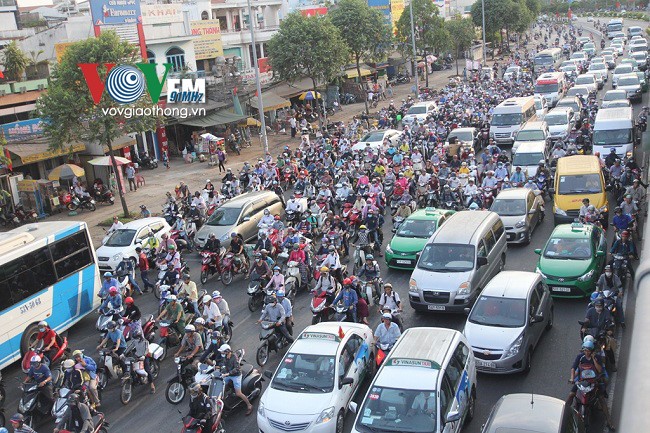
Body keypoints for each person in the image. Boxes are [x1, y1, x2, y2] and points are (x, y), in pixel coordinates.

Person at [566, 340, 614, 430]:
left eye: (588, 351)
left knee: (601, 400)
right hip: (582, 382)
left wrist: (594, 359)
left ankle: (609, 422)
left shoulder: (597, 357)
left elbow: (599, 370)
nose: (586, 352)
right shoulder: (580, 357)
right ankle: (565, 411)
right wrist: (572, 378)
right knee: (571, 395)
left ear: (592, 350)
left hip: (593, 382)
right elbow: (573, 368)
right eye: (585, 350)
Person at [218, 344, 254, 415]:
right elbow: (222, 364)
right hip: (227, 374)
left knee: (238, 393)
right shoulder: (225, 356)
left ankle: (249, 405)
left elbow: (237, 369)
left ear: (227, 351)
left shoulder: (234, 357)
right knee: (221, 386)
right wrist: (222, 369)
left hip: (236, 376)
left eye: (223, 352)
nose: (222, 353)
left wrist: (227, 374)